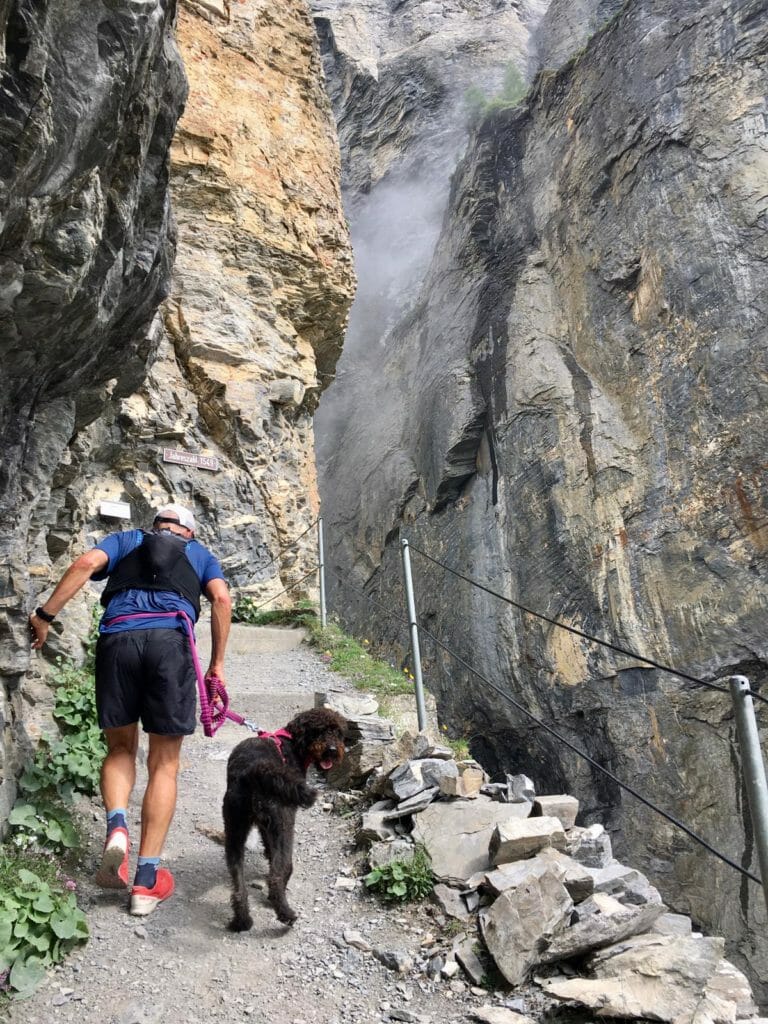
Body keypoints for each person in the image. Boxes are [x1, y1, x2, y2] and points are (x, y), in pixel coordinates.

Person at [29, 503, 232, 916]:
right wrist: (216, 667)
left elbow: (86, 562)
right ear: (188, 532)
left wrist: (45, 615)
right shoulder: (199, 554)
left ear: (155, 525)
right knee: (164, 764)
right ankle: (145, 882)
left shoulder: (127, 540)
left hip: (118, 642)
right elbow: (222, 600)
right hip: (170, 647)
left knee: (120, 749)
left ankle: (117, 826)